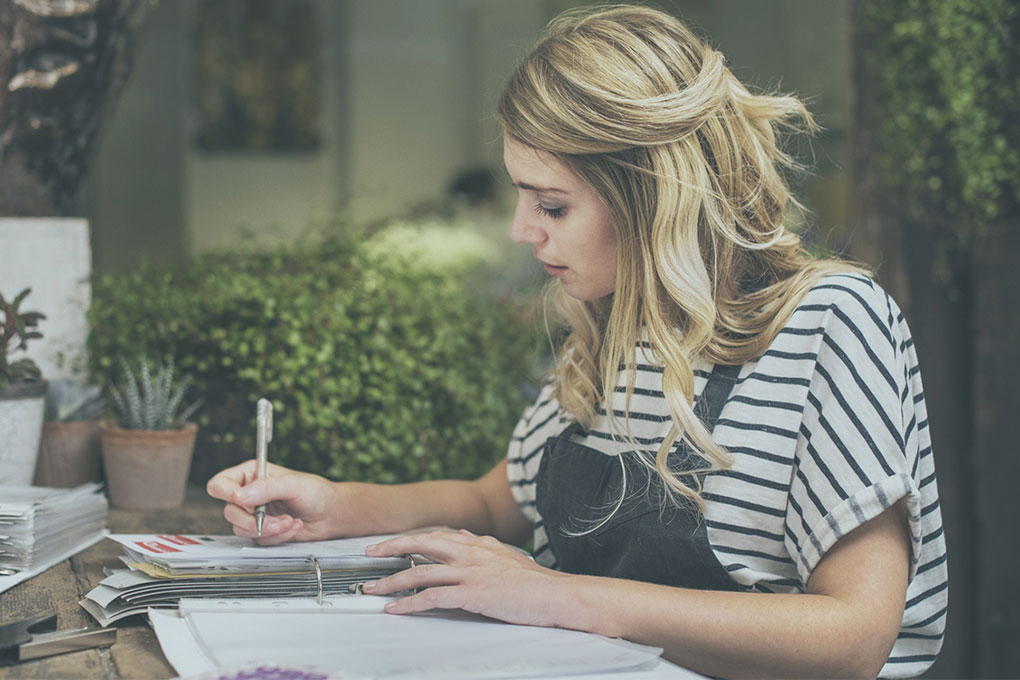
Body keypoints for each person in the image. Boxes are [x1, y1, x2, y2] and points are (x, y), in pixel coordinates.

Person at [207, 6, 947, 678]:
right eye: (521, 197)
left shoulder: (831, 321)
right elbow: (493, 503)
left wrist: (558, 596)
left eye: (551, 205)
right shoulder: (613, 326)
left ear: (650, 195)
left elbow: (854, 636)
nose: (522, 231)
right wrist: (335, 506)